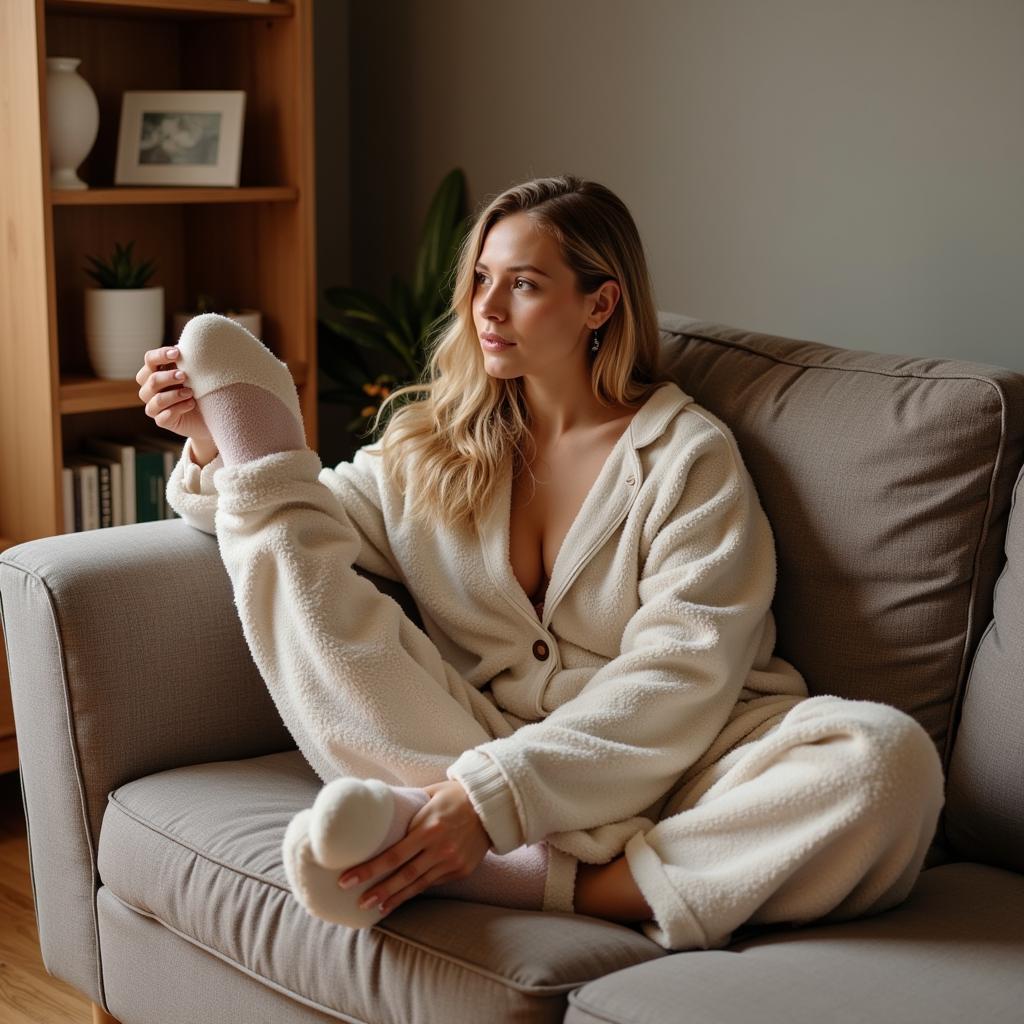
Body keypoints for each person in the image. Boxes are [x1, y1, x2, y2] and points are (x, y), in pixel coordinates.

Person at [135, 175, 945, 953]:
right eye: (481, 278)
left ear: (600, 302)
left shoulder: (685, 458)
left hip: (692, 758)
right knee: (290, 561)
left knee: (884, 761)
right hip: (479, 738)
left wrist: (491, 802)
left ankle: (517, 876)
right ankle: (476, 834)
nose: (486, 308)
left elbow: (683, 673)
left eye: (522, 284)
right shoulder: (434, 445)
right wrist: (215, 444)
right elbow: (307, 529)